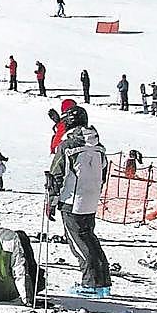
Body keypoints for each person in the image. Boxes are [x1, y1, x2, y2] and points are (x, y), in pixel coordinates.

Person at [46, 119, 111, 297]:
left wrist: (52, 200)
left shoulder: (68, 146)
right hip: (90, 200)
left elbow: (57, 174)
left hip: (72, 201)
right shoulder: (98, 147)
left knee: (78, 243)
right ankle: (102, 282)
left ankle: (90, 284)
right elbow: (104, 173)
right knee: (90, 239)